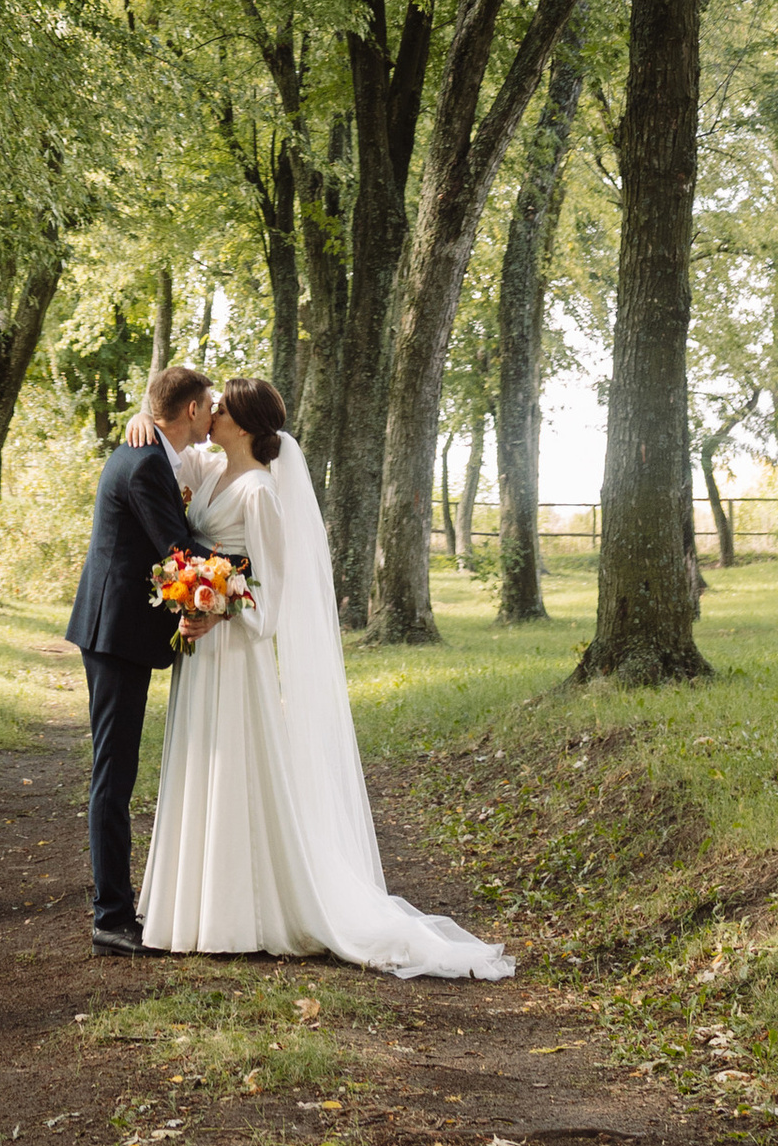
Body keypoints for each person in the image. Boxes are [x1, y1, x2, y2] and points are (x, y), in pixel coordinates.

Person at [136, 376, 513, 980]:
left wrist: (216, 607)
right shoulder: (211, 473)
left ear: (247, 424)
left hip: (234, 649)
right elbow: (168, 442)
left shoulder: (260, 491)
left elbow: (273, 586)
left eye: (223, 408)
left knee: (237, 766)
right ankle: (193, 912)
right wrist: (141, 419)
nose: (213, 413)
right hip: (201, 648)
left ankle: (245, 913)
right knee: (200, 761)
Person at [64, 360, 217, 954]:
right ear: (191, 410)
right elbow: (178, 549)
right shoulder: (146, 462)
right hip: (114, 634)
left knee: (117, 769)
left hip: (119, 633)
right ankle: (109, 916)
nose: (212, 413)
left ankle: (115, 907)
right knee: (114, 773)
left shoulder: (155, 452)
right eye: (208, 404)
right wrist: (252, 568)